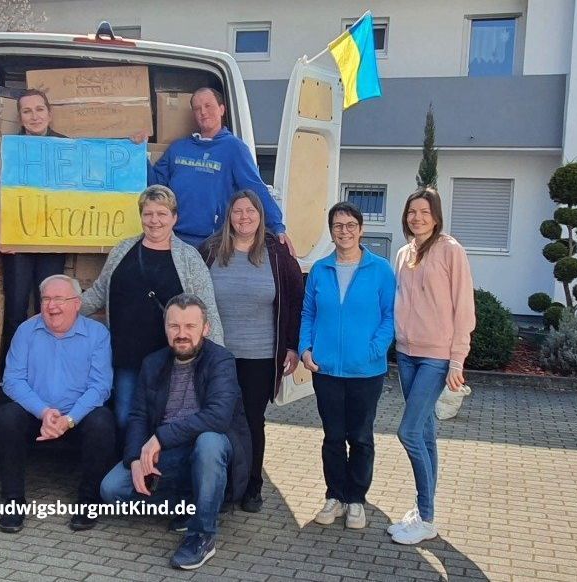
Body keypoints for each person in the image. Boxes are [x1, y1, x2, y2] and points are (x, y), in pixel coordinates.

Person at [99, 294, 251, 571]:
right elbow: (138, 415)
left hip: (208, 452)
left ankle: (202, 535)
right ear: (165, 328)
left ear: (205, 328)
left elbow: (217, 417)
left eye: (190, 326)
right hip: (170, 455)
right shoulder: (153, 363)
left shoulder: (221, 360)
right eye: (174, 326)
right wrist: (134, 457)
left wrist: (159, 438)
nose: (182, 334)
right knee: (111, 490)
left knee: (209, 443)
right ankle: (192, 506)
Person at [80, 184, 224, 438]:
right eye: (148, 214)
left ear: (174, 218)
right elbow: (99, 293)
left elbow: (207, 309)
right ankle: (130, 469)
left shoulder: (189, 258)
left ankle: (159, 473)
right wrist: (65, 307)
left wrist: (217, 362)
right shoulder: (123, 249)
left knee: (165, 420)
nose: (154, 220)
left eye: (162, 213)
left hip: (170, 359)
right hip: (127, 355)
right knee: (124, 418)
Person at [200, 189, 304, 513]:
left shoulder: (277, 252)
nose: (244, 217)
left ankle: (252, 486)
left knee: (252, 421)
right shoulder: (211, 250)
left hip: (260, 356)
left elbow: (296, 299)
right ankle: (223, 483)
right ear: (229, 216)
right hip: (217, 354)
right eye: (238, 211)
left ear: (261, 216)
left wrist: (292, 345)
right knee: (218, 420)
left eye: (251, 211)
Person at [298, 201, 395, 530]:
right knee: (332, 437)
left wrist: (375, 349)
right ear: (331, 231)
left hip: (366, 371)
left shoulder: (380, 269)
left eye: (351, 225)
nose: (344, 231)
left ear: (361, 229)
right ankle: (335, 495)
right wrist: (304, 348)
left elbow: (390, 316)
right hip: (325, 370)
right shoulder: (319, 270)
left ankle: (356, 500)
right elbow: (308, 314)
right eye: (338, 226)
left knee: (362, 437)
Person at [388, 187, 475, 545]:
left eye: (424, 212)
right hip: (407, 354)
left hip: (436, 357)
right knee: (425, 434)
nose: (417, 217)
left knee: (408, 432)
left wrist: (457, 360)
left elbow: (463, 307)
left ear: (436, 216)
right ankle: (423, 511)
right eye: (412, 212)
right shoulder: (403, 253)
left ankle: (426, 517)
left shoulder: (450, 251)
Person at [0, 275, 115, 533]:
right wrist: (44, 411)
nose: (52, 306)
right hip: (37, 412)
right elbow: (12, 380)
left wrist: (69, 419)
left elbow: (100, 386)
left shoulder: (97, 334)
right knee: (7, 416)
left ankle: (88, 502)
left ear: (77, 303)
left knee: (103, 422)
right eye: (47, 299)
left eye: (60, 299)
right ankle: (13, 501)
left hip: (77, 415)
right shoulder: (26, 330)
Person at [0, 89, 68, 370]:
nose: (34, 116)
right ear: (20, 117)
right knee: (16, 309)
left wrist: (134, 144)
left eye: (39, 109)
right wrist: (1, 235)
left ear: (50, 113)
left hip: (53, 243)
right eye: (27, 111)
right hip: (17, 243)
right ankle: (11, 372)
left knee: (52, 307)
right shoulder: (11, 148)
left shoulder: (68, 147)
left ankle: (48, 370)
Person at [146, 87, 286, 247]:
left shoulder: (234, 148)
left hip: (213, 243)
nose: (203, 112)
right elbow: (154, 186)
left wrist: (277, 226)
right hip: (173, 240)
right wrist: (137, 152)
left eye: (208, 106)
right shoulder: (178, 148)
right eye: (197, 109)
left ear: (221, 109)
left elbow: (255, 188)